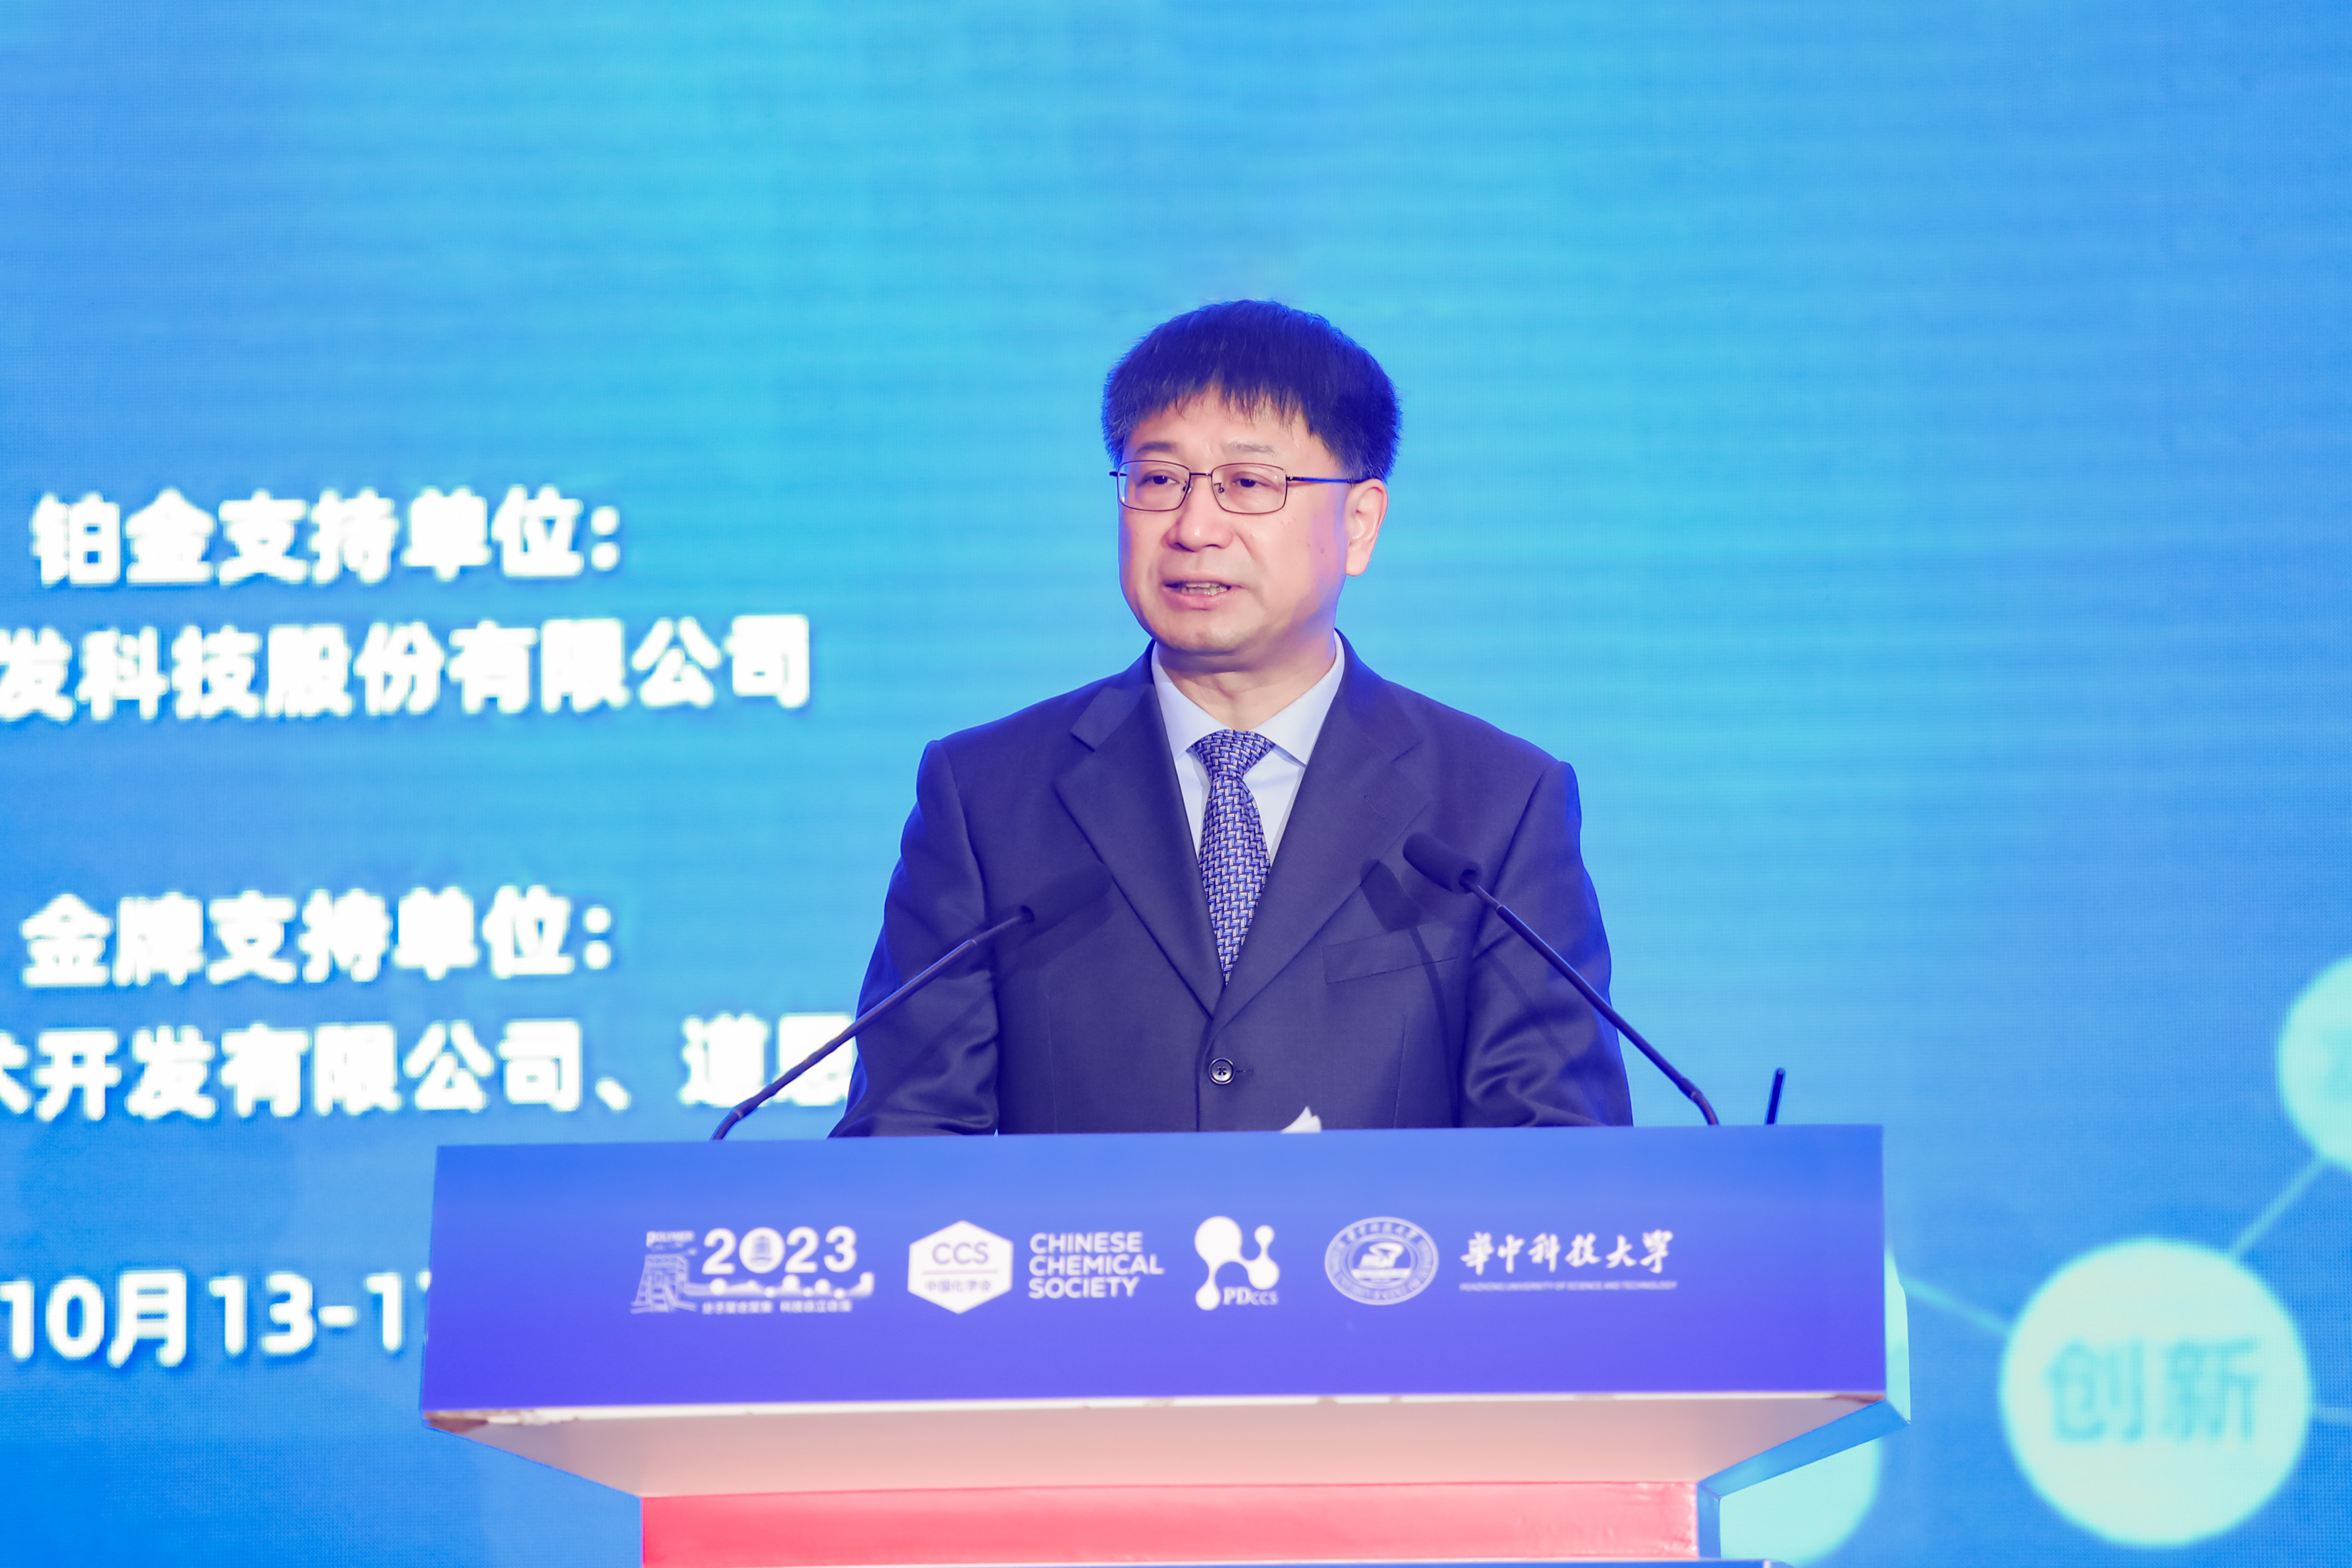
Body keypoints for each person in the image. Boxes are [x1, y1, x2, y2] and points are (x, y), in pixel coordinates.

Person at [833, 300, 1631, 1135]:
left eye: (1247, 484)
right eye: (1158, 480)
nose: (1194, 527)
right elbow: (906, 1140)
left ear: (1359, 524)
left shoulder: (1497, 806)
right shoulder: (985, 797)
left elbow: (1557, 1151)